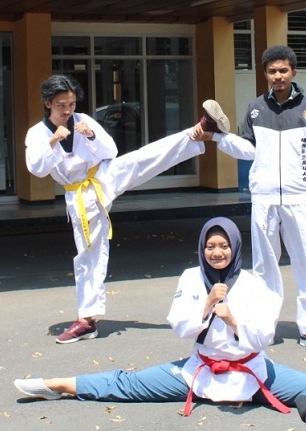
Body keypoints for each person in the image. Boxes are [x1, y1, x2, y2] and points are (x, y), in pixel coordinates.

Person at [14, 217, 306, 420]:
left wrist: (233, 318)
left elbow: (263, 337)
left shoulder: (256, 283)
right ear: (202, 248)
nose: (216, 252)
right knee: (128, 383)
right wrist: (204, 309)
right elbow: (179, 325)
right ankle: (57, 386)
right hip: (198, 370)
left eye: (223, 246)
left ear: (235, 247)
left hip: (253, 371)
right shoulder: (189, 277)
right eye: (209, 246)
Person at [25, 74, 230, 344]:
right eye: (62, 105)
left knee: (141, 159)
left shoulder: (83, 120)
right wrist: (52, 141)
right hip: (80, 194)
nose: (67, 110)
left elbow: (111, 150)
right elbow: (37, 169)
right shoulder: (37, 133)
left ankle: (201, 129)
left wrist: (91, 134)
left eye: (72, 104)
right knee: (89, 253)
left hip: (104, 174)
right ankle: (87, 319)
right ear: (48, 103)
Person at [192, 45, 306, 354]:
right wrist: (214, 137)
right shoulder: (255, 109)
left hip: (296, 196)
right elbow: (249, 150)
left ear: (294, 72)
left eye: (283, 70)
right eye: (271, 71)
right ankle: (263, 325)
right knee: (265, 266)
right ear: (265, 74)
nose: (277, 76)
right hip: (263, 197)